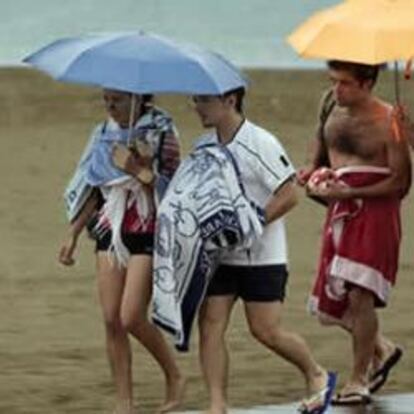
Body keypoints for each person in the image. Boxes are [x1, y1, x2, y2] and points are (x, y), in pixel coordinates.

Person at [193, 88, 336, 414]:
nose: (196, 107)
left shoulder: (261, 142)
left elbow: (289, 194)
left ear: (230, 100)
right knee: (210, 325)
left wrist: (251, 223)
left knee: (266, 331)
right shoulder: (204, 147)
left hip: (263, 255)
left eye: (203, 100)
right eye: (195, 100)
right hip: (221, 255)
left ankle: (316, 374)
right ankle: (217, 404)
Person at [58, 89, 184, 414]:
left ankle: (173, 374)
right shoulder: (101, 134)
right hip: (109, 225)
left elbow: (173, 187)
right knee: (111, 318)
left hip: (147, 224)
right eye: (106, 99)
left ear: (138, 98)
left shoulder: (161, 131)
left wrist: (137, 168)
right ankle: (124, 402)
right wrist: (72, 233)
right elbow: (93, 186)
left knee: (131, 316)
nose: (110, 106)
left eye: (117, 100)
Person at [298, 60, 412, 405]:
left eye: (345, 83)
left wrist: (350, 193)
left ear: (367, 83)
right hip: (339, 213)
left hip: (375, 217)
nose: (337, 89)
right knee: (335, 303)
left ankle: (359, 379)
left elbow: (401, 181)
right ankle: (382, 347)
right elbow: (317, 160)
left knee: (360, 297)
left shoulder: (390, 120)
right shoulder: (330, 107)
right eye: (333, 81)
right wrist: (313, 178)